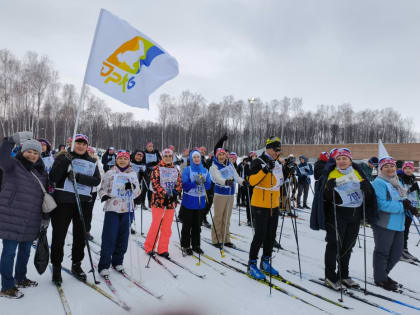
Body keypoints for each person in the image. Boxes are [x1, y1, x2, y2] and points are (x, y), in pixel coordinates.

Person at [310, 148, 377, 290]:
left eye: (344, 159)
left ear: (350, 160)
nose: (341, 161)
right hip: (336, 214)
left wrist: (367, 188)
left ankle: (344, 275)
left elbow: (369, 194)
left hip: (355, 214)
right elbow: (324, 197)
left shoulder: (358, 172)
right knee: (334, 244)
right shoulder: (331, 173)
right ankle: (330, 276)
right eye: (338, 159)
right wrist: (329, 188)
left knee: (348, 246)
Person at [0, 132, 49, 298]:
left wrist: (44, 218)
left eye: (36, 153)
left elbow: (44, 197)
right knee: (9, 253)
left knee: (25, 252)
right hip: (12, 217)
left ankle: (20, 278)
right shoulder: (13, 165)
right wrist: (9, 141)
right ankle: (7, 286)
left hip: (31, 219)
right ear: (22, 151)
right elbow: (2, 156)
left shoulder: (42, 173)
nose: (32, 155)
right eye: (29, 151)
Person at [49, 134, 101, 284]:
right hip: (63, 202)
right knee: (59, 235)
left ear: (87, 146)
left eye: (83, 144)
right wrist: (65, 163)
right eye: (78, 143)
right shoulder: (63, 157)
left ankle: (76, 264)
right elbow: (53, 177)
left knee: (80, 235)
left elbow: (96, 180)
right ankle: (57, 267)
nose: (81, 146)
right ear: (73, 144)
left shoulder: (91, 161)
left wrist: (78, 177)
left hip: (82, 202)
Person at [247, 137, 293, 280]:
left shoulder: (278, 163)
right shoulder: (258, 161)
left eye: (279, 150)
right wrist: (265, 170)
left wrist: (289, 170)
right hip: (260, 204)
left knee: (271, 235)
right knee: (260, 235)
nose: (277, 152)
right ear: (268, 149)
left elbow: (281, 180)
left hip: (274, 204)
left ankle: (265, 261)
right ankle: (252, 264)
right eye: (275, 149)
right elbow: (251, 181)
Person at [371, 157, 418, 291]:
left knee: (397, 253)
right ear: (381, 169)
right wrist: (402, 206)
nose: (390, 169)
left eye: (392, 166)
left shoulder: (395, 182)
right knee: (383, 252)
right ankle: (380, 278)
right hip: (384, 223)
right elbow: (382, 204)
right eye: (386, 166)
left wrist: (409, 207)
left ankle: (382, 275)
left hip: (399, 223)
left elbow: (402, 199)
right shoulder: (379, 183)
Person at [97, 151, 140, 276]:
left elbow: (137, 191)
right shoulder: (110, 173)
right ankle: (104, 265)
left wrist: (131, 187)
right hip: (113, 209)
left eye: (125, 159)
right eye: (120, 158)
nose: (122, 161)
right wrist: (104, 196)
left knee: (123, 237)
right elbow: (102, 188)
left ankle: (117, 261)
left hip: (127, 209)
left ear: (129, 161)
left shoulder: (132, 174)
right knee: (109, 237)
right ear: (116, 160)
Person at [144, 148, 181, 257]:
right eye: (166, 156)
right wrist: (164, 194)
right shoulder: (156, 169)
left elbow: (179, 183)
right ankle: (149, 247)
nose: (168, 158)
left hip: (170, 202)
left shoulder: (175, 169)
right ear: (162, 157)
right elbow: (155, 183)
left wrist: (175, 193)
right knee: (156, 224)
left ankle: (163, 248)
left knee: (167, 226)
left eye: (170, 156)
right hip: (159, 201)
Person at [210, 139, 244, 249]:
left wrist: (243, 182)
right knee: (218, 217)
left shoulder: (230, 164)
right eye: (219, 155)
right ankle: (216, 239)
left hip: (230, 194)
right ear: (216, 156)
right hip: (220, 194)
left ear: (226, 155)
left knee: (227, 218)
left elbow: (236, 176)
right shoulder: (214, 166)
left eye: (223, 154)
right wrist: (225, 182)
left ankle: (226, 238)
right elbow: (218, 178)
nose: (221, 157)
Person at [180, 150, 212, 255]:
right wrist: (195, 183)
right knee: (187, 224)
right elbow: (184, 186)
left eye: (198, 157)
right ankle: (185, 245)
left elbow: (208, 186)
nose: (197, 159)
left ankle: (196, 245)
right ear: (191, 159)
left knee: (197, 225)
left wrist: (204, 182)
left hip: (200, 201)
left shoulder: (205, 170)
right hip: (189, 200)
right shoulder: (187, 170)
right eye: (194, 157)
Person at [397, 161, 420, 262]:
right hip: (405, 207)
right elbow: (401, 192)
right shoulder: (400, 178)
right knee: (403, 229)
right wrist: (411, 189)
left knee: (407, 229)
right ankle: (399, 250)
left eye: (410, 168)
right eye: (406, 168)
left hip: (413, 207)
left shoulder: (413, 179)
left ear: (413, 170)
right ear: (403, 169)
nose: (408, 170)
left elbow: (417, 195)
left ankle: (405, 249)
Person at [85, 146, 101, 240]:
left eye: (90, 152)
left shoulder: (96, 163)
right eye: (87, 152)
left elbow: (101, 175)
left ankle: (87, 231)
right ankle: (78, 229)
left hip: (92, 191)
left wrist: (97, 187)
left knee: (88, 211)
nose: (88, 154)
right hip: (80, 190)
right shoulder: (81, 160)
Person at [143, 142, 162, 209]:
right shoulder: (144, 153)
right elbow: (142, 162)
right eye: (149, 146)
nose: (150, 148)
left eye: (151, 146)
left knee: (151, 188)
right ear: (146, 147)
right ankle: (142, 203)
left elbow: (160, 161)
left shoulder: (156, 153)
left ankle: (150, 202)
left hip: (154, 172)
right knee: (145, 187)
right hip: (146, 172)